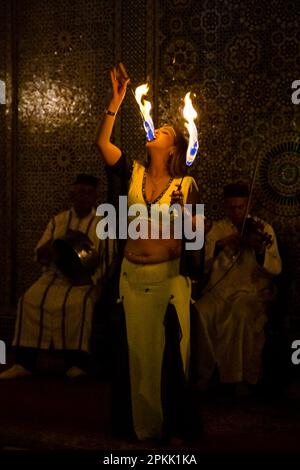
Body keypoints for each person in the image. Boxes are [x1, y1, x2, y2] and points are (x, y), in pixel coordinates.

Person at [95, 66, 201, 442]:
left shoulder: (184, 185)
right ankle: (134, 427)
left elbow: (191, 237)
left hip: (166, 283)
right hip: (130, 278)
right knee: (134, 359)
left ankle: (169, 427)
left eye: (168, 131)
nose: (158, 130)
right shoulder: (133, 173)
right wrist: (117, 100)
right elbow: (103, 144)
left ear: (173, 148)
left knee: (165, 358)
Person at [0, 174, 114, 380]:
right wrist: (48, 251)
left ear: (95, 196)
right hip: (55, 276)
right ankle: (24, 362)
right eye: (80, 191)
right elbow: (40, 252)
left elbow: (108, 260)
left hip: (85, 281)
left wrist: (92, 280)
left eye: (89, 193)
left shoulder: (104, 224)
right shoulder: (58, 221)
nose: (84, 197)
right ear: (72, 194)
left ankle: (77, 363)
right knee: (29, 300)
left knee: (80, 304)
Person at [194, 183, 282, 390]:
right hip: (220, 290)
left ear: (248, 206)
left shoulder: (263, 229)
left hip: (251, 291)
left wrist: (259, 251)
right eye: (232, 207)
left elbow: (276, 267)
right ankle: (204, 373)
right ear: (226, 207)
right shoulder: (217, 229)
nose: (236, 212)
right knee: (199, 312)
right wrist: (218, 246)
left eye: (241, 207)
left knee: (240, 314)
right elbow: (203, 265)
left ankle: (239, 378)